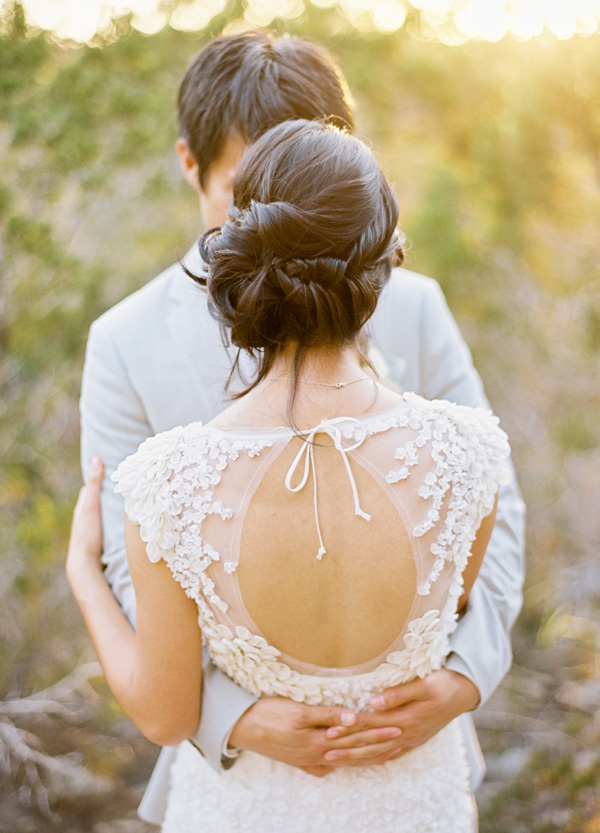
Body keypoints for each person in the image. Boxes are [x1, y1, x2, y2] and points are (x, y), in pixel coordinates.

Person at [77, 31, 525, 827]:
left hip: (414, 758)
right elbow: (125, 557)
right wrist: (235, 714)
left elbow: (498, 514)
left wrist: (463, 673)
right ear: (192, 164)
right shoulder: (124, 339)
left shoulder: (417, 307)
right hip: (240, 768)